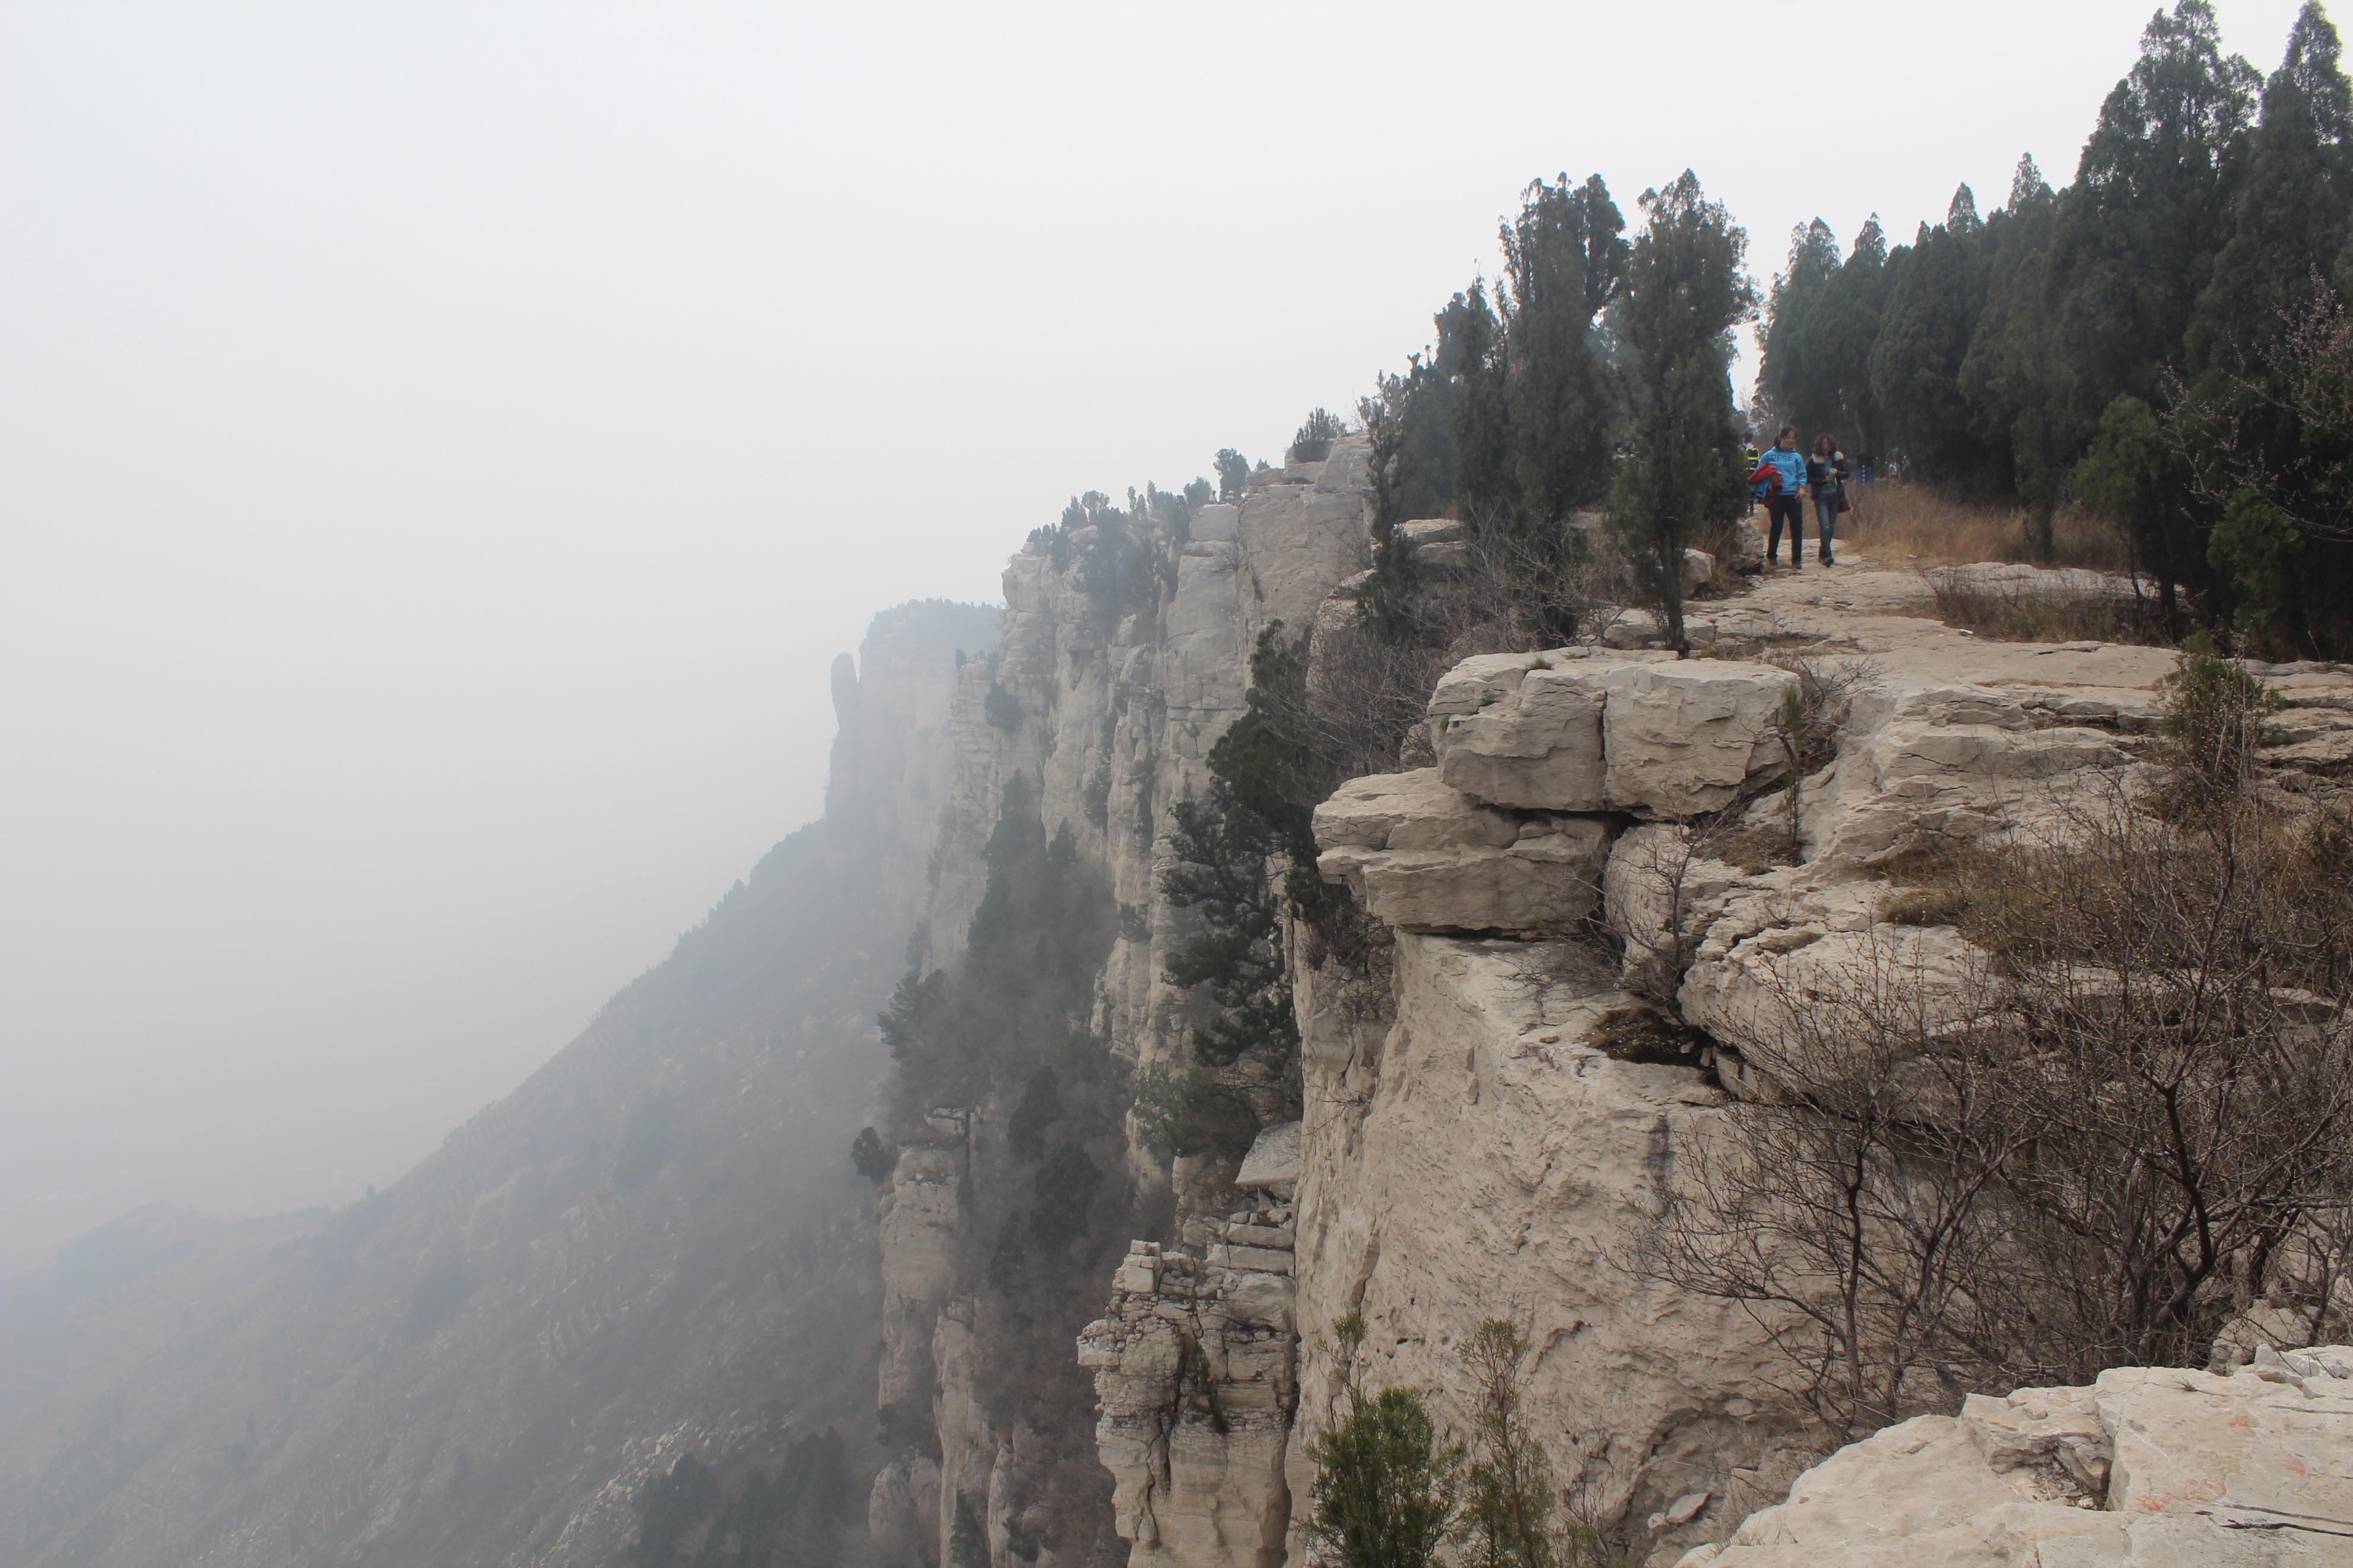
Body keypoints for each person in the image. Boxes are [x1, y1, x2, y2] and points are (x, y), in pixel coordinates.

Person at [1758, 427, 1808, 568]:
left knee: (1797, 527)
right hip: (1776, 497)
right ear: (1781, 438)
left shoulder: (1797, 458)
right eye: (1788, 438)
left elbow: (1801, 475)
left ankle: (1797, 560)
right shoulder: (1769, 456)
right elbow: (1759, 473)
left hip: (1793, 496)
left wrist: (1802, 487)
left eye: (1793, 438)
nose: (1790, 441)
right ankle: (1772, 556)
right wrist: (1770, 478)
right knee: (1776, 527)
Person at [1806, 434, 1852, 566]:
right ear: (1819, 445)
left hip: (1835, 496)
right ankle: (1828, 554)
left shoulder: (1838, 458)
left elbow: (1846, 474)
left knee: (1830, 528)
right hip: (1820, 497)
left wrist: (1837, 473)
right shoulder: (1813, 460)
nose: (1826, 446)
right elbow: (1808, 478)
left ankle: (1822, 553)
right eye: (1823, 444)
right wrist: (1823, 480)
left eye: (1828, 444)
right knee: (1825, 526)